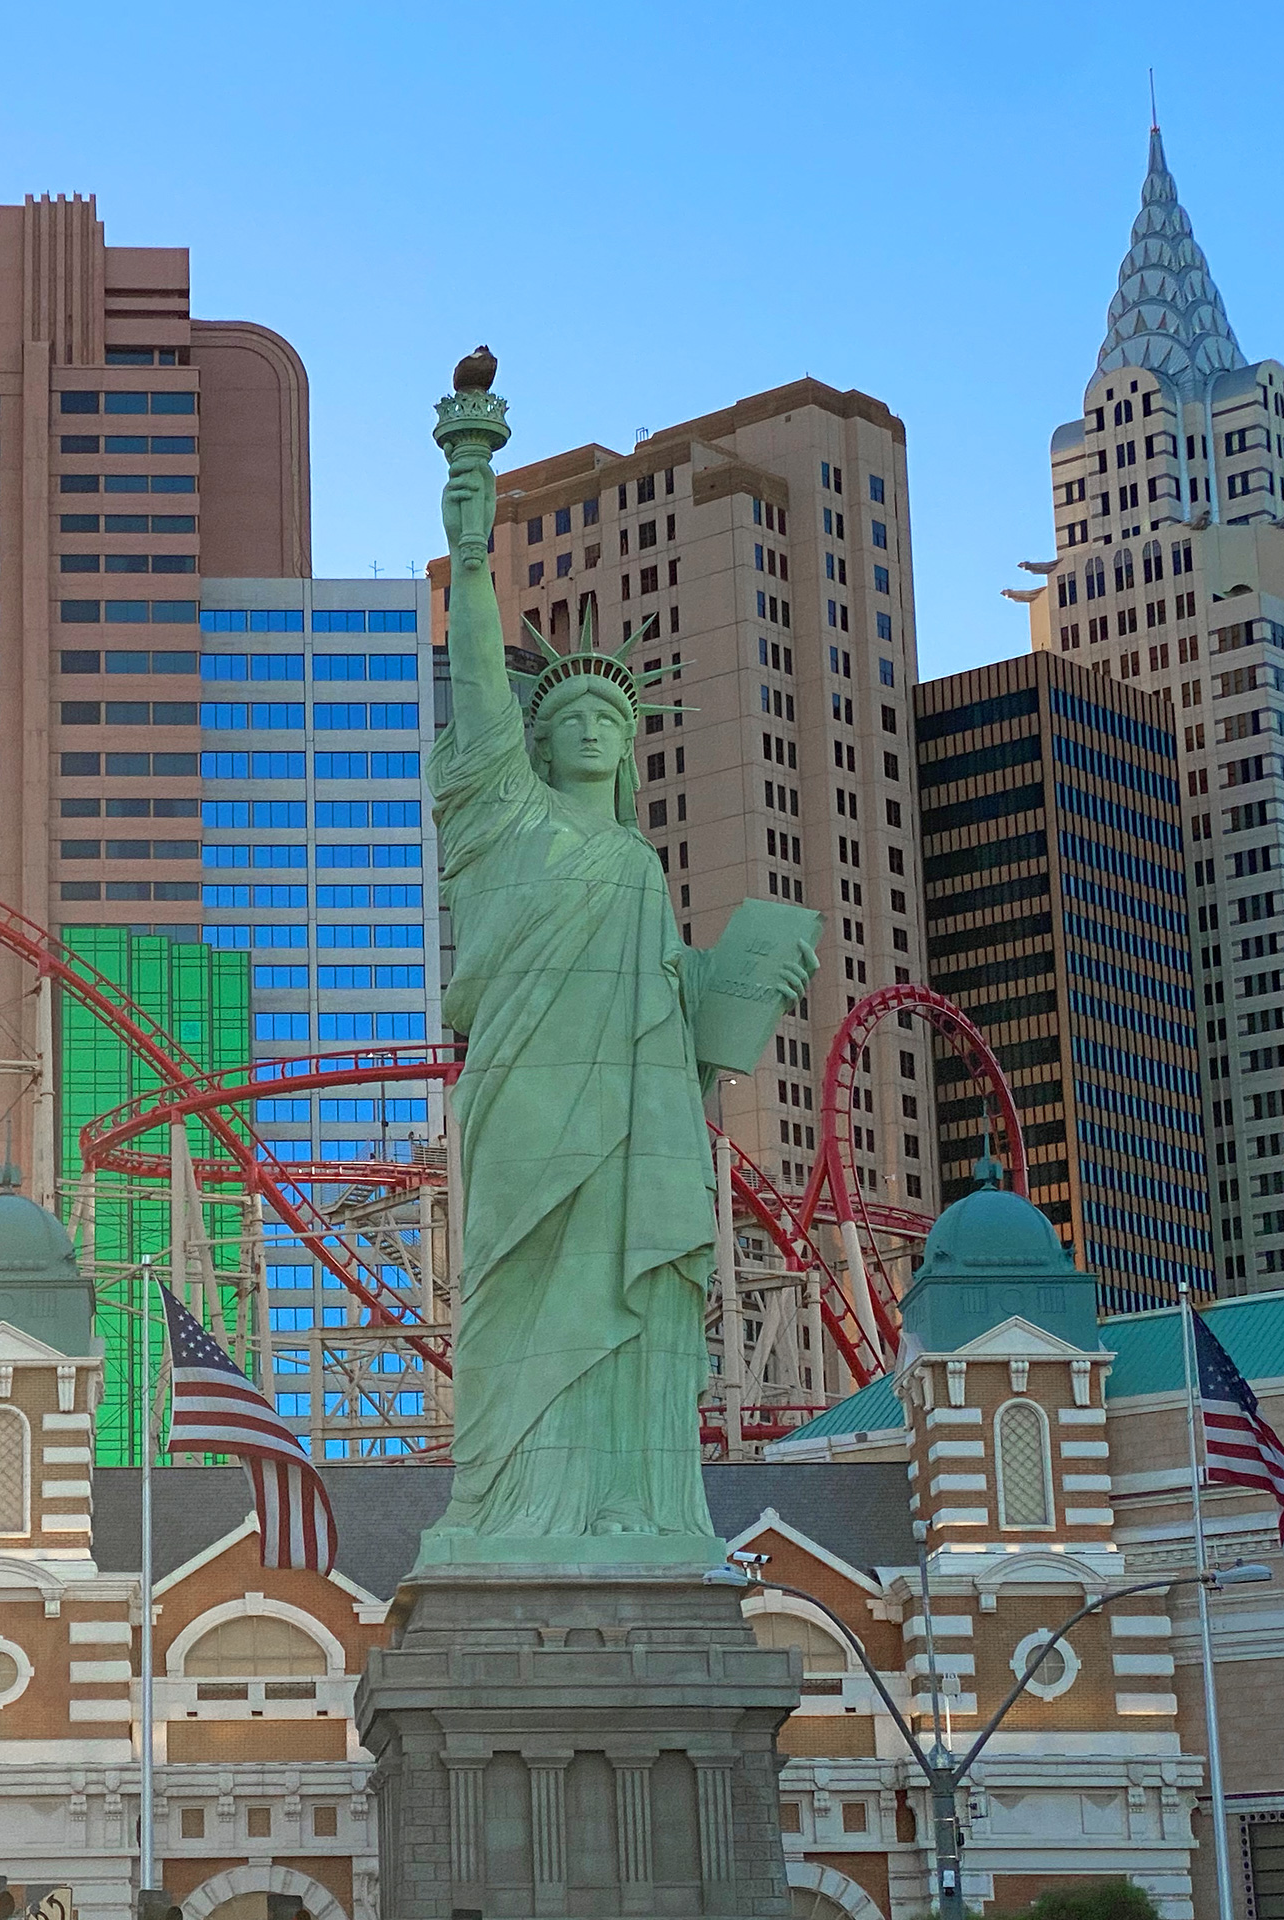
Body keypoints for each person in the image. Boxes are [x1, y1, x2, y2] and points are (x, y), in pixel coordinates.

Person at [419, 427, 808, 1565]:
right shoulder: (503, 818)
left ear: (630, 748)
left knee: (638, 1313)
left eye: (609, 720)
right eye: (567, 719)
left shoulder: (638, 868)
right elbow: (481, 680)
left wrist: (743, 985)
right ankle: (497, 1511)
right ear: (534, 745)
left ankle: (638, 1518)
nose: (588, 727)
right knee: (509, 1307)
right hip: (524, 1108)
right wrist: (473, 547)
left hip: (636, 1125)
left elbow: (677, 1023)